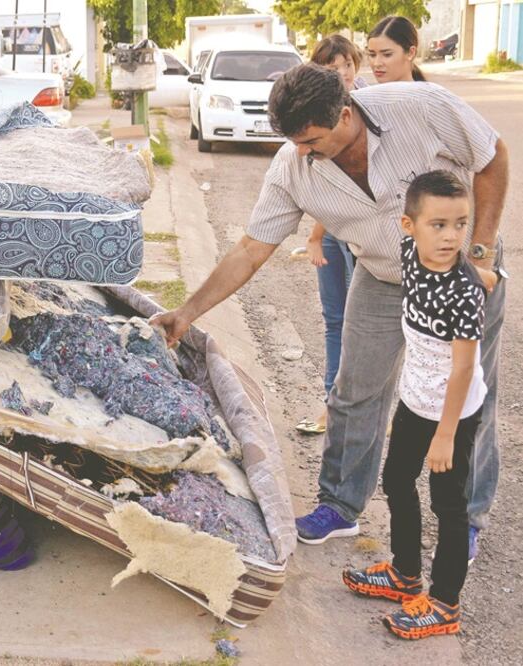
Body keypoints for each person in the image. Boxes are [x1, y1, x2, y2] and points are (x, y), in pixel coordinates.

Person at [150, 64, 509, 558]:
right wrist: (188, 311)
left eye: (311, 141)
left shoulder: (421, 107)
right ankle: (339, 505)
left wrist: (481, 255)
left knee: (467, 396)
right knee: (353, 391)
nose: (301, 152)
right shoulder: (291, 165)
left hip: (461, 270)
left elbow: (491, 158)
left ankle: (465, 520)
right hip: (382, 274)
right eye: (294, 142)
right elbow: (252, 248)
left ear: (344, 115)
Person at [342, 171, 501, 639]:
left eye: (460, 224)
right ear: (409, 226)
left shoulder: (462, 293)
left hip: (452, 412)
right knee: (395, 480)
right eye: (439, 224)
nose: (451, 236)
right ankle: (405, 574)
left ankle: (445, 605)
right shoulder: (410, 254)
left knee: (448, 505)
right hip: (415, 399)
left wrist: (447, 434)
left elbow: (464, 370)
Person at [296, 35, 366, 435]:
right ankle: (332, 407)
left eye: (347, 66)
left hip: (363, 237)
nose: (341, 74)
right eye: (330, 67)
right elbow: (324, 187)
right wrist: (317, 235)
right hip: (334, 231)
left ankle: (363, 409)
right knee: (336, 320)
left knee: (367, 324)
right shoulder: (315, 115)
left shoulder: (367, 108)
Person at [367, 15, 425, 84]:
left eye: (387, 55)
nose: (377, 63)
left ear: (411, 53)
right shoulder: (362, 93)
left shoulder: (432, 93)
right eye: (372, 55)